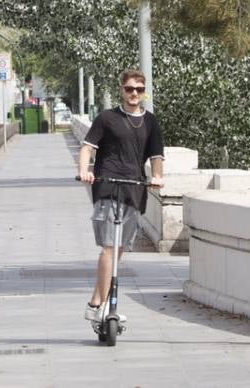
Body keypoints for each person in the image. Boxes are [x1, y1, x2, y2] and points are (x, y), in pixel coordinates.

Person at [77, 68, 164, 325]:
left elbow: (156, 156)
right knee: (108, 246)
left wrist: (157, 177)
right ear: (122, 90)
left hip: (134, 189)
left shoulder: (151, 122)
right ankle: (105, 306)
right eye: (129, 89)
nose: (134, 93)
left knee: (119, 249)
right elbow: (87, 147)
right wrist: (84, 171)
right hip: (106, 186)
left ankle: (95, 303)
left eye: (139, 89)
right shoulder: (107, 118)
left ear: (144, 92)